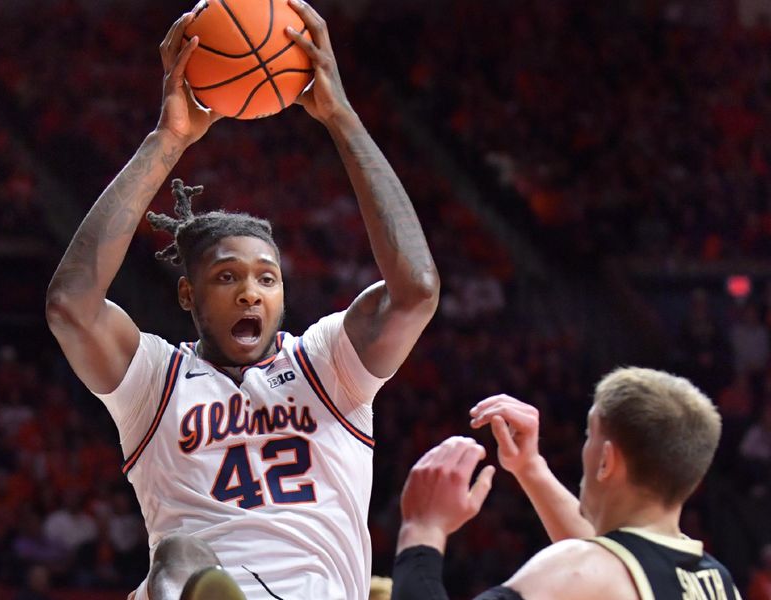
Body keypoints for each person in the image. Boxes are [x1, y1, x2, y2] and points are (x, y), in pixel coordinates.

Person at [44, 1, 439, 598]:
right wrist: (167, 139)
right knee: (176, 557)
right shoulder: (157, 380)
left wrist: (342, 117)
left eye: (267, 278)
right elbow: (71, 306)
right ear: (187, 293)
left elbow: (415, 293)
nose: (251, 291)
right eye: (227, 278)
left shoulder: (325, 363)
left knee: (173, 563)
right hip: (208, 580)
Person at [392, 367, 742, 600]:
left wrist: (422, 531)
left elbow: (593, 564)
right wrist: (530, 468)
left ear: (606, 460)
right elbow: (615, 557)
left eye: (589, 433)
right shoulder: (719, 582)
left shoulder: (578, 568)